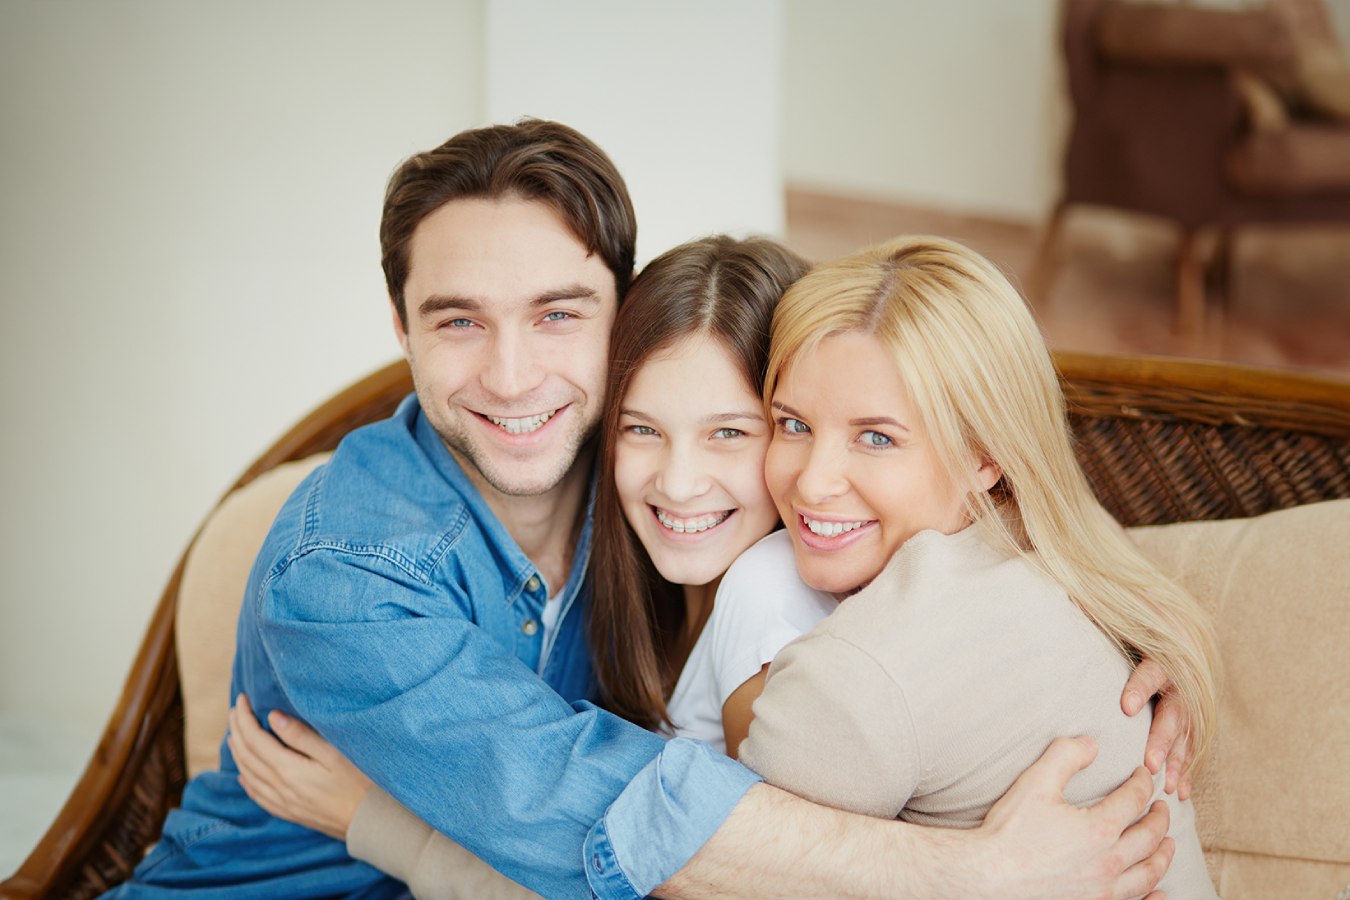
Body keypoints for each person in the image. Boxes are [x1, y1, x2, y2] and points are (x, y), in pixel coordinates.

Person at [110, 120, 1180, 900]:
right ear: (400, 325)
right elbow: (596, 813)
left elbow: (947, 448)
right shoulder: (343, 576)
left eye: (557, 314)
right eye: (459, 323)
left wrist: (1139, 632)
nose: (516, 376)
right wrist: (977, 876)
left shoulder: (655, 491)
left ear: (618, 319)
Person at [734, 235, 1220, 896]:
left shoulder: (856, 674)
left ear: (984, 456)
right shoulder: (1063, 543)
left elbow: (720, 861)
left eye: (877, 437)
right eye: (793, 425)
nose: (814, 483)